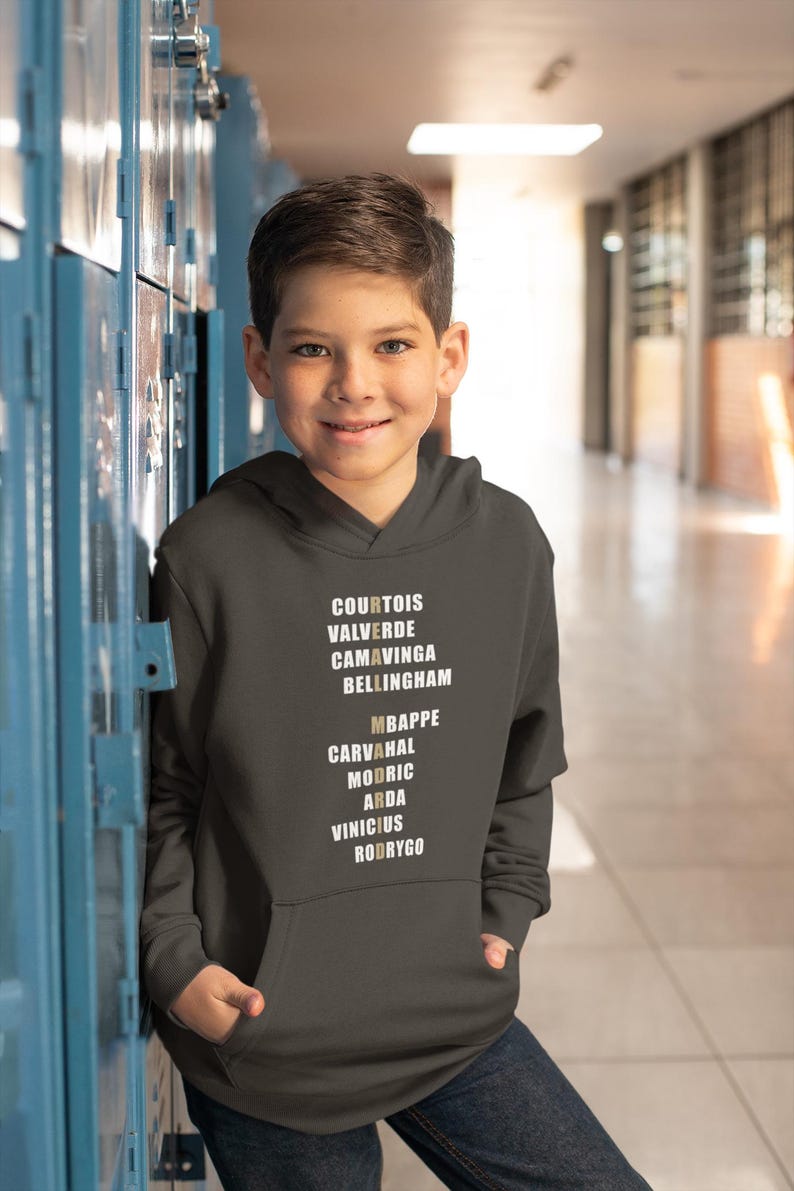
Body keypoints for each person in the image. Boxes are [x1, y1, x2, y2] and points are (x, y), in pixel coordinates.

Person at [140, 173, 651, 1190]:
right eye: (312, 348)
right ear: (258, 360)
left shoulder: (504, 541)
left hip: (449, 1013)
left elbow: (524, 750)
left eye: (392, 344)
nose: (354, 384)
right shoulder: (207, 554)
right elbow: (163, 785)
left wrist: (505, 906)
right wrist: (175, 965)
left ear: (448, 356)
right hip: (265, 1037)